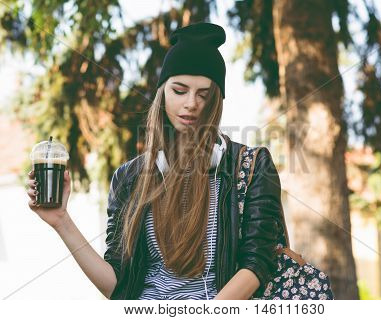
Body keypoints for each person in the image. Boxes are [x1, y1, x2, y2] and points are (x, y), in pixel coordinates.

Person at [26, 22, 284, 300]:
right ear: (162, 93)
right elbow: (118, 286)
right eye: (180, 90)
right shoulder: (129, 177)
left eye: (203, 94)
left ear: (217, 99)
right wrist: (61, 221)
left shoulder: (252, 166)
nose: (191, 104)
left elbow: (257, 264)